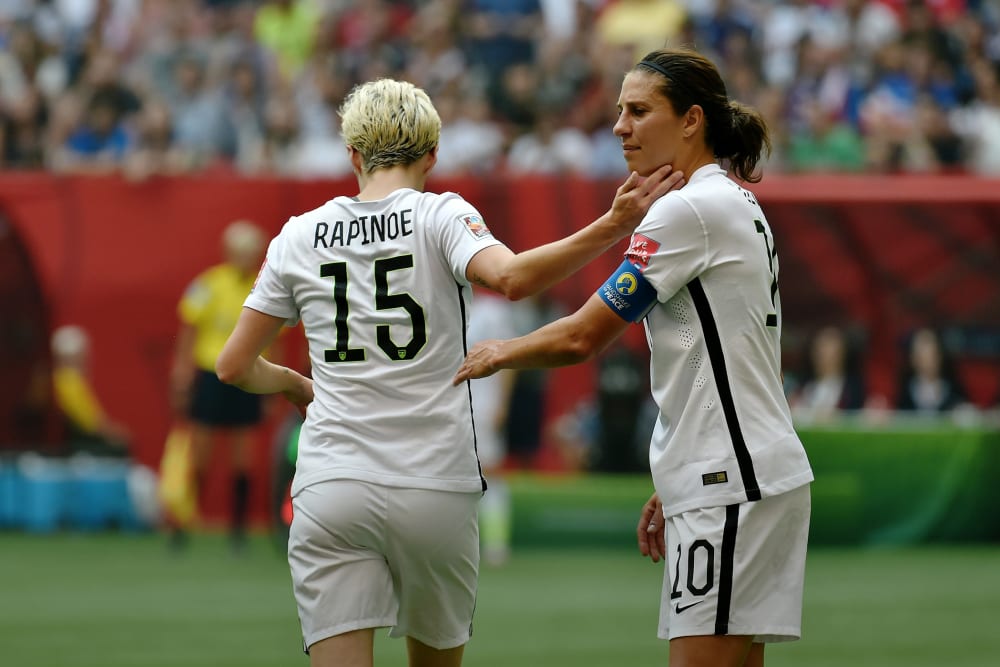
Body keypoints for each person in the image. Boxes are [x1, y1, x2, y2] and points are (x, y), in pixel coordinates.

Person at [214, 78, 682, 667]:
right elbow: (512, 279)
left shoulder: (297, 235)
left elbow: (232, 365)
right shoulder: (440, 214)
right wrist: (612, 225)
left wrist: (290, 383)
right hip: (433, 481)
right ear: (433, 153)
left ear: (353, 155)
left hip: (331, 482)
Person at [454, 48, 814, 667]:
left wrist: (497, 352)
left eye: (639, 110)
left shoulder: (686, 210)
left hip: (728, 480)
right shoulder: (734, 202)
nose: (620, 126)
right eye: (620, 110)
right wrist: (679, 470)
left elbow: (581, 337)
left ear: (692, 120)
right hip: (746, 470)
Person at [170, 219, 268, 552]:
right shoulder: (208, 284)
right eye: (240, 250)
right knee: (199, 456)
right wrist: (182, 375)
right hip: (210, 375)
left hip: (250, 375)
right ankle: (182, 525)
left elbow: (276, 337)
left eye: (251, 250)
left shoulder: (263, 285)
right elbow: (189, 331)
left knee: (243, 459)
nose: (246, 256)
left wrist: (273, 386)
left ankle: (237, 531)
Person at [51, 325, 131, 457]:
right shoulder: (70, 381)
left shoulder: (53, 381)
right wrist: (121, 436)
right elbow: (94, 425)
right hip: (81, 452)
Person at [895, 326, 969, 414]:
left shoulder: (953, 391)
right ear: (913, 359)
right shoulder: (904, 392)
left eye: (931, 354)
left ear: (939, 356)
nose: (927, 362)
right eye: (920, 355)